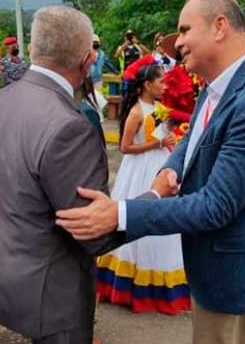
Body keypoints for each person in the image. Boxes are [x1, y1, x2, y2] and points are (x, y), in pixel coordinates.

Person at [56, 0, 245, 344]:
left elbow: (217, 206)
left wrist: (119, 214)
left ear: (219, 27)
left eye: (185, 30)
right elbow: (193, 138)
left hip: (230, 268)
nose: (178, 42)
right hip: (209, 259)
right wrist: (172, 167)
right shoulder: (219, 86)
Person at [0, 5, 157, 344]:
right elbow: (95, 234)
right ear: (88, 59)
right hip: (56, 292)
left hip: (13, 270)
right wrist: (156, 198)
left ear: (33, 49)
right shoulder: (69, 126)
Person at [96, 64, 185, 315]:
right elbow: (125, 147)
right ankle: (129, 283)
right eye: (160, 82)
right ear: (147, 84)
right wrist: (157, 143)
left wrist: (167, 142)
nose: (164, 86)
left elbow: (161, 135)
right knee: (135, 220)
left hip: (157, 165)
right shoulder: (136, 111)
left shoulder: (157, 108)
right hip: (138, 170)